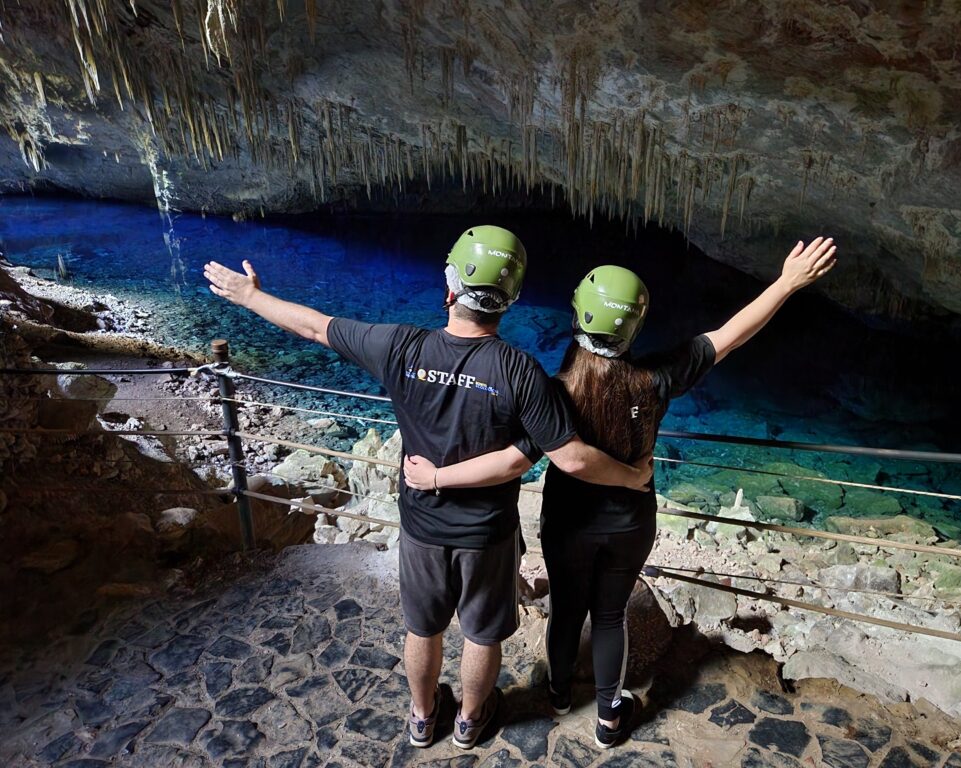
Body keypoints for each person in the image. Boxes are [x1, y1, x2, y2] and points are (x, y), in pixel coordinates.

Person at [203, 225, 652, 750]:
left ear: (449, 291)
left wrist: (250, 296)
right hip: (486, 535)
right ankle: (470, 720)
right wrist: (633, 476)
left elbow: (316, 328)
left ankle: (421, 716)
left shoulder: (400, 346)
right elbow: (569, 457)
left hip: (420, 525)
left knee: (423, 629)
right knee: (482, 634)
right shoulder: (523, 374)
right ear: (509, 303)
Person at [404, 236, 837, 749]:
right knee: (610, 613)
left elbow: (515, 442)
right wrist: (787, 283)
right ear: (634, 326)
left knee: (567, 606)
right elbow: (729, 337)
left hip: (567, 520)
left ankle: (560, 693)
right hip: (631, 522)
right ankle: (609, 716)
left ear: (577, 318)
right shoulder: (656, 379)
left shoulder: (552, 388)